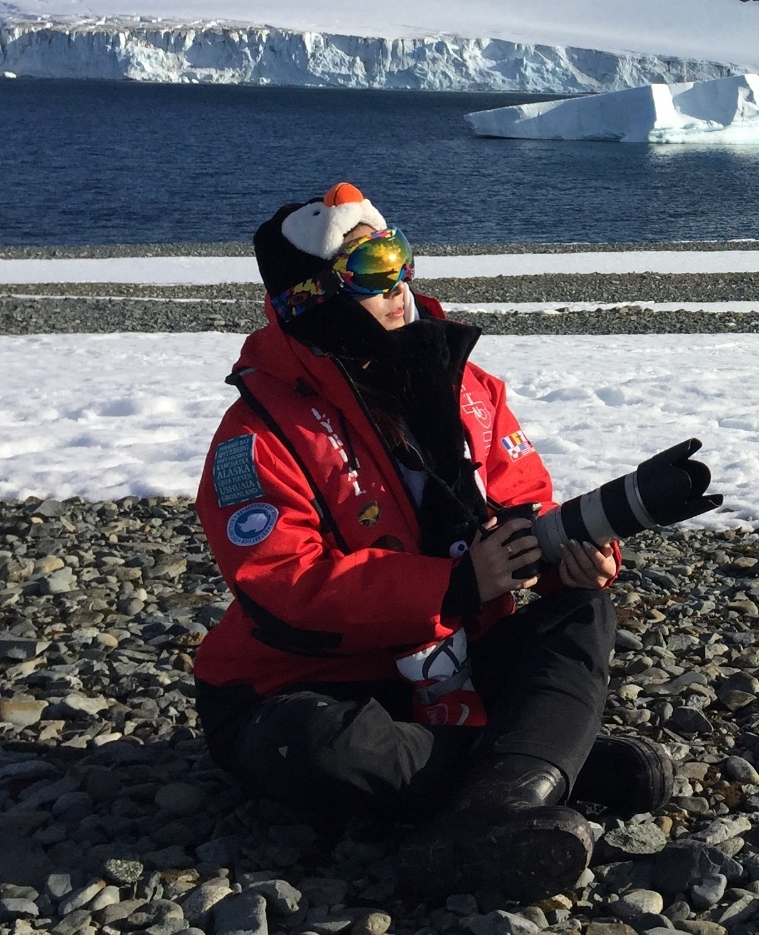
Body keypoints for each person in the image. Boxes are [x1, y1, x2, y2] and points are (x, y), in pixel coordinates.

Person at [191, 182, 672, 902]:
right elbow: (282, 585)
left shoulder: (469, 387)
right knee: (324, 746)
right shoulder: (257, 433)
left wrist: (568, 559)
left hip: (452, 663)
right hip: (298, 685)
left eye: (400, 258)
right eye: (371, 269)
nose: (399, 283)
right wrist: (449, 587)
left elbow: (522, 504)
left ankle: (495, 803)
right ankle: (541, 764)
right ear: (311, 295)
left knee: (582, 614)